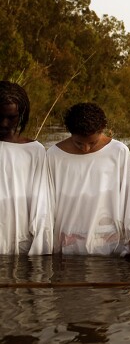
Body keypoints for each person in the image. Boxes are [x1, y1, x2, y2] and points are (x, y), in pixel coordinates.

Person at [47, 102, 130, 258]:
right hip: (67, 244)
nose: (86, 149)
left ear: (101, 130)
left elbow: (128, 201)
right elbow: (48, 206)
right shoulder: (54, 155)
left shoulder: (118, 151)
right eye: (79, 143)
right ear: (70, 133)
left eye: (92, 142)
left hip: (109, 243)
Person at [0, 81, 52, 255]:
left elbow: (40, 203)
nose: (4, 124)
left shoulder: (33, 150)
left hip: (19, 240)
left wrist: (39, 247)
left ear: (21, 114)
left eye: (11, 117)